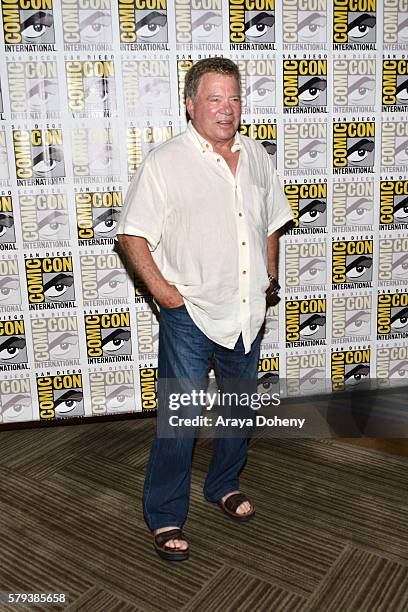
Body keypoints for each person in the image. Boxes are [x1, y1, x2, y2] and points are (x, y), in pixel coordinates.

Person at [116, 57, 293, 561]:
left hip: (246, 312)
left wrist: (269, 278)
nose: (226, 108)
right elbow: (131, 234)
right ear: (191, 104)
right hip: (189, 313)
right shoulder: (165, 162)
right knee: (181, 419)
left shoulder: (257, 155)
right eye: (214, 98)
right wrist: (165, 295)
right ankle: (166, 513)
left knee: (238, 412)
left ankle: (224, 484)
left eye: (234, 98)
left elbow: (271, 221)